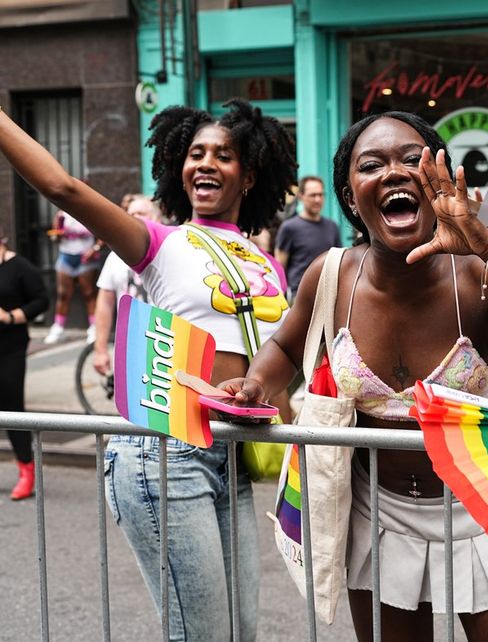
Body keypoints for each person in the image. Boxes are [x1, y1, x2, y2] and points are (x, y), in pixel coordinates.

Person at [221, 111, 488, 642]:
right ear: (351, 195)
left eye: (412, 160)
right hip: (375, 514)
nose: (394, 172)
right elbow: (287, 342)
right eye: (371, 164)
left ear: (442, 181)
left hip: (479, 511)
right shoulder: (332, 273)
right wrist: (258, 384)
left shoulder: (478, 277)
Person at [0, 98, 295, 640]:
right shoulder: (158, 242)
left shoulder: (267, 263)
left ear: (249, 174)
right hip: (164, 451)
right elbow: (63, 188)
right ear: (178, 170)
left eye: (223, 155)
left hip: (231, 458)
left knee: (240, 633)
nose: (204, 163)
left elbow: (279, 360)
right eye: (194, 153)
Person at [0, 227, 49, 500]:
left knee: (11, 407)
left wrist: (10, 317)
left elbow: (42, 300)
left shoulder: (20, 267)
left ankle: (26, 471)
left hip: (10, 347)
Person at [91, 195, 164, 376]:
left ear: (157, 219)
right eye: (130, 214)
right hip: (130, 351)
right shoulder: (115, 256)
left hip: (167, 349)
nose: (135, 218)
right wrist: (100, 349)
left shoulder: (171, 249)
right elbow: (105, 303)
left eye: (141, 213)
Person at [274, 175, 342, 298]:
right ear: (301, 196)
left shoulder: (332, 227)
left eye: (321, 195)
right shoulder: (289, 227)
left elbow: (339, 264)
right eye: (313, 195)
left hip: (328, 296)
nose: (317, 199)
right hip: (299, 297)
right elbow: (280, 266)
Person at [44, 208, 102, 344]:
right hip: (66, 257)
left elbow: (102, 235)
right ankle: (58, 327)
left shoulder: (90, 213)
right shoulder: (61, 215)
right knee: (63, 294)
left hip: (85, 258)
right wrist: (57, 232)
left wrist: (95, 249)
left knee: (89, 293)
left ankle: (94, 328)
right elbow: (55, 237)